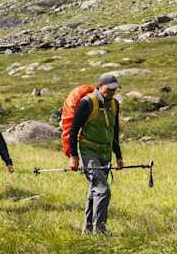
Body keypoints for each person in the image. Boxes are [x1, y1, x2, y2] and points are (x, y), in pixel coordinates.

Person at [67, 73, 124, 235]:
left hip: (105, 153)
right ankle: (99, 231)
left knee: (95, 190)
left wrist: (118, 156)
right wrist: (74, 156)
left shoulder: (115, 104)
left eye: (114, 89)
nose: (112, 92)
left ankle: (88, 229)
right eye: (109, 89)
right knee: (103, 189)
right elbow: (73, 131)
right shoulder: (87, 103)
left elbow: (114, 131)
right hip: (88, 152)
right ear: (100, 86)